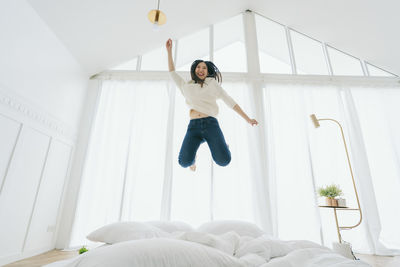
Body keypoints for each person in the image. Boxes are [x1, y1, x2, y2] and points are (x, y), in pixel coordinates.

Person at [166, 38, 258, 171]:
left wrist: (248, 119)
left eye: (204, 68)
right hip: (193, 127)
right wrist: (169, 51)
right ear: (194, 70)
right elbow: (172, 73)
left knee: (224, 161)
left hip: (211, 125)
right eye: (198, 67)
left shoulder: (212, 84)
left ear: (208, 72)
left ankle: (224, 146)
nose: (201, 69)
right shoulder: (186, 86)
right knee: (184, 162)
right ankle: (193, 159)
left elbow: (230, 102)